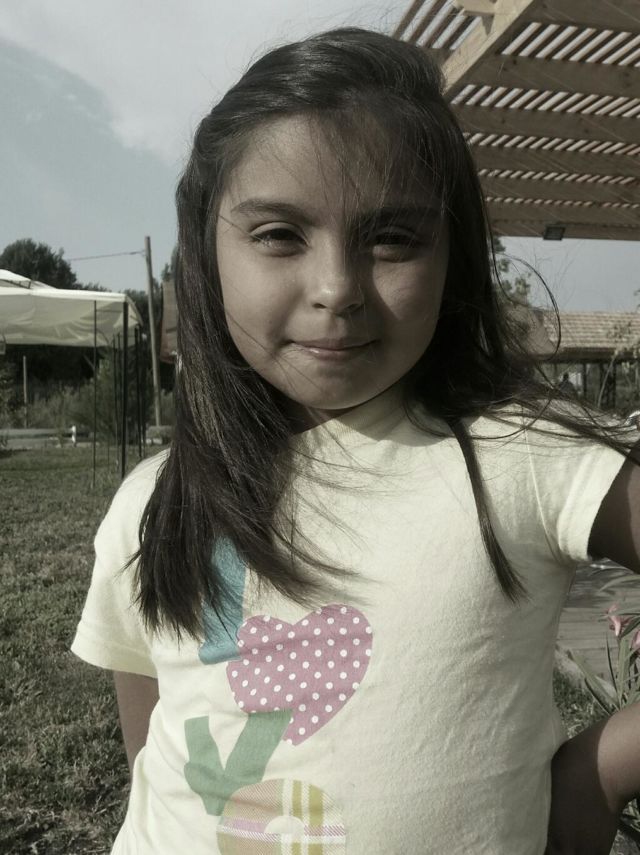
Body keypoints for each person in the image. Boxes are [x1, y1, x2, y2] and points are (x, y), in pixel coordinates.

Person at [71, 28, 640, 855]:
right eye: (279, 234)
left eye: (393, 238)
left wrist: (604, 767)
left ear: (453, 256)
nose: (337, 288)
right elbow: (152, 742)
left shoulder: (524, 456)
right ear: (205, 254)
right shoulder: (157, 497)